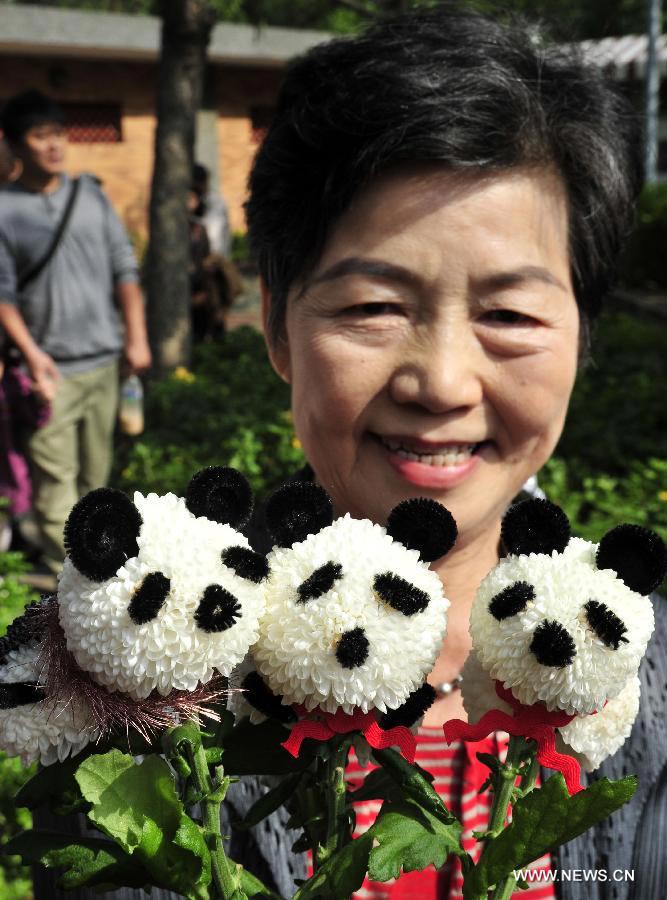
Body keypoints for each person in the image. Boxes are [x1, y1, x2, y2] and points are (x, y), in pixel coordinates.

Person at [28, 5, 665, 900]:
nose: (442, 382)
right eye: (372, 306)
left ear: (580, 339)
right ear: (279, 326)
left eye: (510, 315)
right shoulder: (143, 684)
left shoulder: (643, 682)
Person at [0, 90, 151, 576]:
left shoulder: (91, 196)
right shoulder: (4, 210)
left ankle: (96, 563)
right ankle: (71, 579)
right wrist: (31, 353)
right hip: (50, 373)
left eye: (58, 134)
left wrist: (137, 336)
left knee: (95, 474)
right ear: (15, 144)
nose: (54, 146)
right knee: (54, 480)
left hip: (105, 361)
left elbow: (124, 269)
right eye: (40, 136)